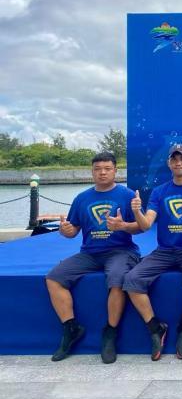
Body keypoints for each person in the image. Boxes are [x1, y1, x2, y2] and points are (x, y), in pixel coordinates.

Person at [45, 151, 141, 363]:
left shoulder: (127, 196)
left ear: (115, 171)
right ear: (92, 172)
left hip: (121, 250)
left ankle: (110, 332)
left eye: (107, 169)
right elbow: (73, 231)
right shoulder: (82, 198)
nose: (102, 173)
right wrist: (65, 230)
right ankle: (71, 328)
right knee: (54, 278)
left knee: (117, 280)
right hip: (89, 253)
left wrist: (123, 226)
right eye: (97, 169)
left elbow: (141, 227)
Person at [124, 143, 182, 361]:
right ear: (168, 163)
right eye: (174, 159)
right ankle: (155, 327)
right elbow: (146, 224)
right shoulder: (159, 192)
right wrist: (137, 212)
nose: (178, 162)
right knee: (131, 279)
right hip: (164, 251)